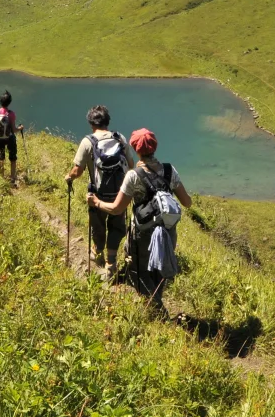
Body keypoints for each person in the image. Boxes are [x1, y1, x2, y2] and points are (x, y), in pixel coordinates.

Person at [87, 127, 191, 309]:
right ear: (155, 147)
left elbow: (116, 208)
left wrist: (96, 202)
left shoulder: (133, 176)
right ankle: (156, 300)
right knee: (159, 269)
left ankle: (156, 310)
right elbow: (187, 202)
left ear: (136, 149)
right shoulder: (169, 170)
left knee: (138, 271)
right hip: (168, 232)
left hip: (143, 235)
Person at [65, 105, 135, 281]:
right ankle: (111, 263)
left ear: (91, 123)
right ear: (107, 122)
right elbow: (131, 164)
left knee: (98, 225)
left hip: (97, 194)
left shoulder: (87, 141)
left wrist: (69, 178)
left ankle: (97, 253)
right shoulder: (120, 138)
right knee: (117, 226)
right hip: (120, 193)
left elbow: (78, 170)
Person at [0, 90, 23, 186]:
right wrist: (20, 128)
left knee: (1, 158)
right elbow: (13, 130)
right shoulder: (11, 114)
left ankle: (1, 177)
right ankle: (12, 178)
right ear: (9, 102)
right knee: (13, 158)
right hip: (10, 138)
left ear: (0, 101)